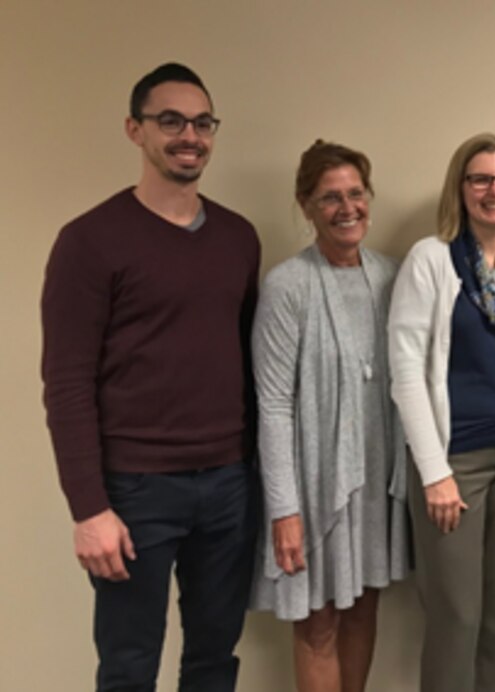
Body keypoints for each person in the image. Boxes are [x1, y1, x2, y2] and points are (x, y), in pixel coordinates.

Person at [40, 63, 260, 691]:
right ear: (135, 130)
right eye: (171, 121)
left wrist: (250, 475)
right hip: (134, 493)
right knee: (130, 666)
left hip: (226, 485)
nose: (188, 135)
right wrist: (89, 508)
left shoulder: (239, 238)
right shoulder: (89, 241)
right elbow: (67, 382)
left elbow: (239, 359)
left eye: (201, 122)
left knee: (215, 661)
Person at [388, 132, 495, 692]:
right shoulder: (431, 258)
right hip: (453, 461)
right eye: (480, 179)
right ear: (460, 189)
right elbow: (406, 370)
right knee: (456, 618)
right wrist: (433, 472)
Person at [250, 140, 410, 691]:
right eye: (329, 198)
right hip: (315, 485)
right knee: (318, 625)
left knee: (364, 610)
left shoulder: (392, 278)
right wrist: (284, 510)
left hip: (374, 482)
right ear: (306, 205)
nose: (347, 208)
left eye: (356, 194)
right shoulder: (287, 286)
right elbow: (271, 403)